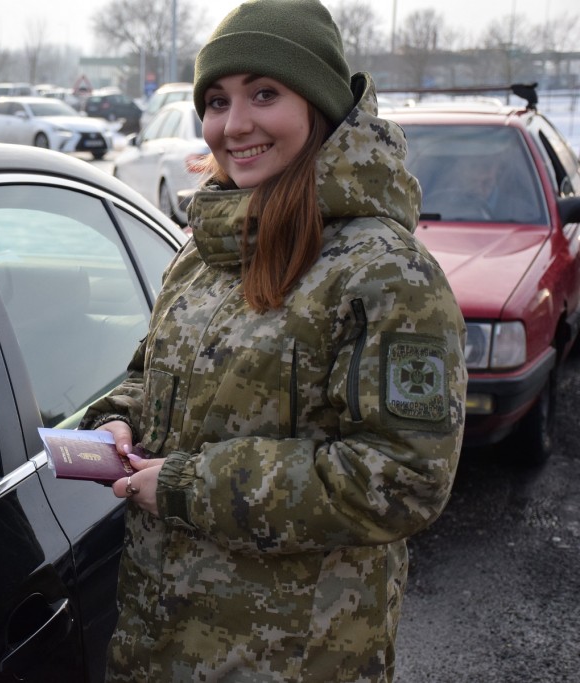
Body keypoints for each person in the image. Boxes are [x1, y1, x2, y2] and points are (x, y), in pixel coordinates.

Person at [79, 1, 468, 681]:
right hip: (157, 643)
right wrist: (118, 417)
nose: (235, 125)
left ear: (316, 105)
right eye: (218, 100)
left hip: (291, 659)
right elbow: (151, 372)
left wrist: (190, 484)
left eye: (265, 93)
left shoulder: (383, 271)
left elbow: (404, 478)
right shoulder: (204, 254)